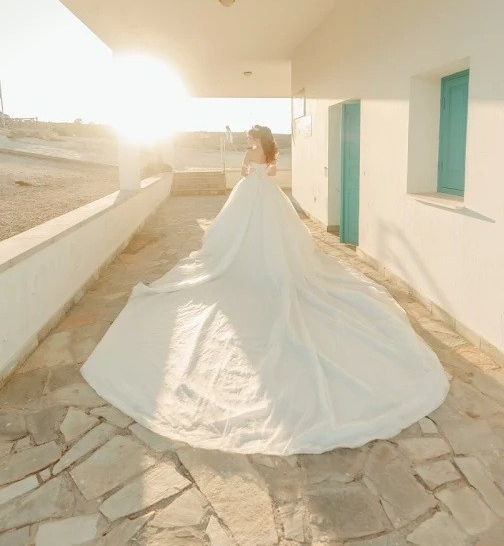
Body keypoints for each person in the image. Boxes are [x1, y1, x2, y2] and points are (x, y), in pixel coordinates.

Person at [81, 124, 449, 455]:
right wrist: (261, 172)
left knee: (239, 238)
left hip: (248, 196)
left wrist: (249, 171)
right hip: (269, 197)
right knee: (277, 238)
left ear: (255, 139)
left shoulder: (248, 156)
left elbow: (244, 174)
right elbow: (269, 173)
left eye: (249, 139)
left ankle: (249, 264)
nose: (248, 142)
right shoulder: (272, 153)